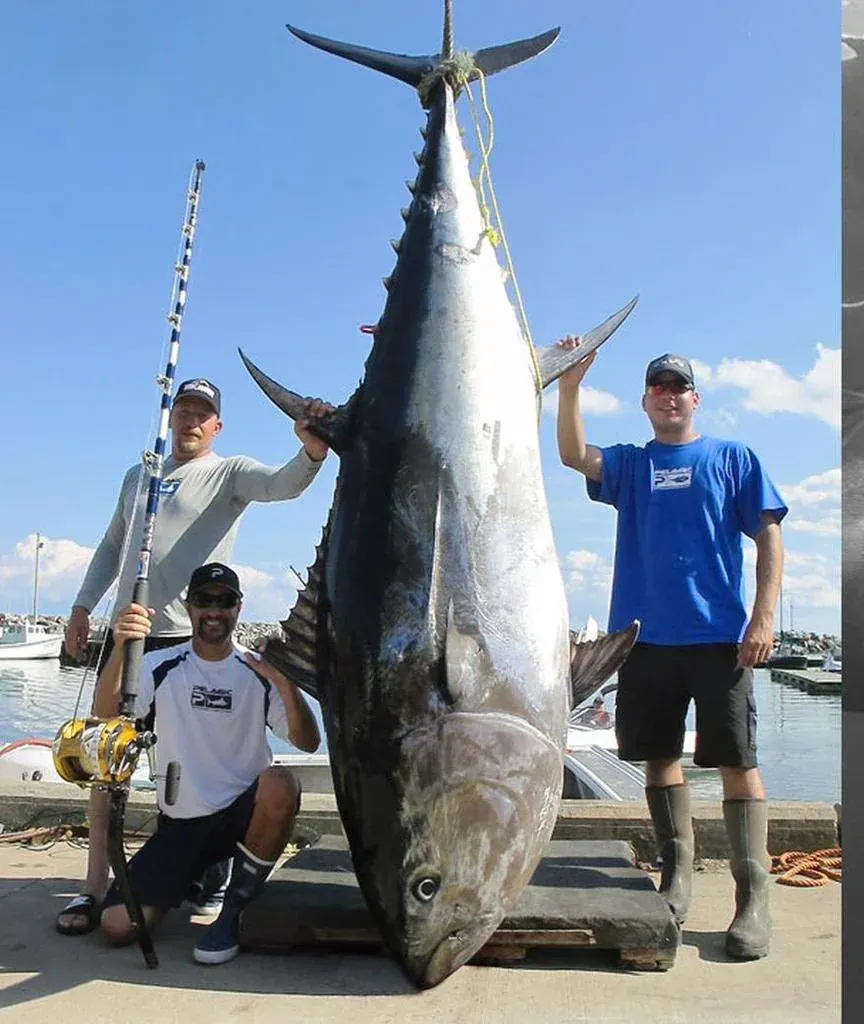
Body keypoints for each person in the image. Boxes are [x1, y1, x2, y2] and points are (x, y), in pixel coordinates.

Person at [56, 376, 331, 936]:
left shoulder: (229, 472)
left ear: (217, 426)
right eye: (183, 411)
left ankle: (210, 873)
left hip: (191, 638)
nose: (190, 421)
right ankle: (93, 888)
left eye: (202, 414)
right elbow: (113, 545)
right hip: (132, 635)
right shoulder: (140, 475)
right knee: (109, 763)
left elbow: (284, 485)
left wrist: (312, 450)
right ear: (171, 417)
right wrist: (85, 604)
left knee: (201, 759)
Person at [556, 345, 786, 961]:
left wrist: (763, 617)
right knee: (658, 760)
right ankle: (676, 873)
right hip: (645, 640)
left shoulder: (732, 458)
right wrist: (570, 386)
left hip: (719, 639)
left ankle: (752, 896)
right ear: (646, 401)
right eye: (658, 386)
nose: (668, 394)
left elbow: (768, 535)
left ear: (694, 397)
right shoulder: (632, 465)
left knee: (738, 762)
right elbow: (573, 454)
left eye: (678, 386)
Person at [95, 563, 320, 965]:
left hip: (241, 817)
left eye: (225, 601)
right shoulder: (160, 665)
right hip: (182, 823)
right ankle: (203, 876)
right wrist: (120, 647)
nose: (214, 610)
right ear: (189, 606)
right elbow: (106, 717)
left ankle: (232, 911)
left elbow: (308, 742)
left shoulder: (258, 670)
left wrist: (285, 680)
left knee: (282, 782)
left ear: (238, 608)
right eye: (204, 600)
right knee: (116, 927)